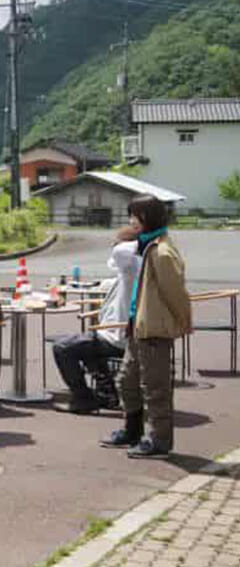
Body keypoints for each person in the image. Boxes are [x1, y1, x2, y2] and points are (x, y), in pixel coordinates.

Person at [101, 196, 192, 458]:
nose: (131, 221)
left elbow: (175, 292)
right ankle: (132, 431)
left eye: (135, 216)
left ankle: (159, 442)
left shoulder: (161, 251)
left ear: (148, 218)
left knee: (155, 387)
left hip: (154, 328)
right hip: (137, 325)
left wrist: (184, 321)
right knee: (127, 381)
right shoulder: (146, 246)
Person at [53, 241, 140, 414]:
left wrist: (139, 237)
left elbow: (122, 251)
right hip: (113, 334)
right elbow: (107, 284)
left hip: (118, 339)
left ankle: (84, 398)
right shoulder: (128, 275)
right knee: (84, 344)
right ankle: (107, 394)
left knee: (62, 347)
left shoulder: (131, 274)